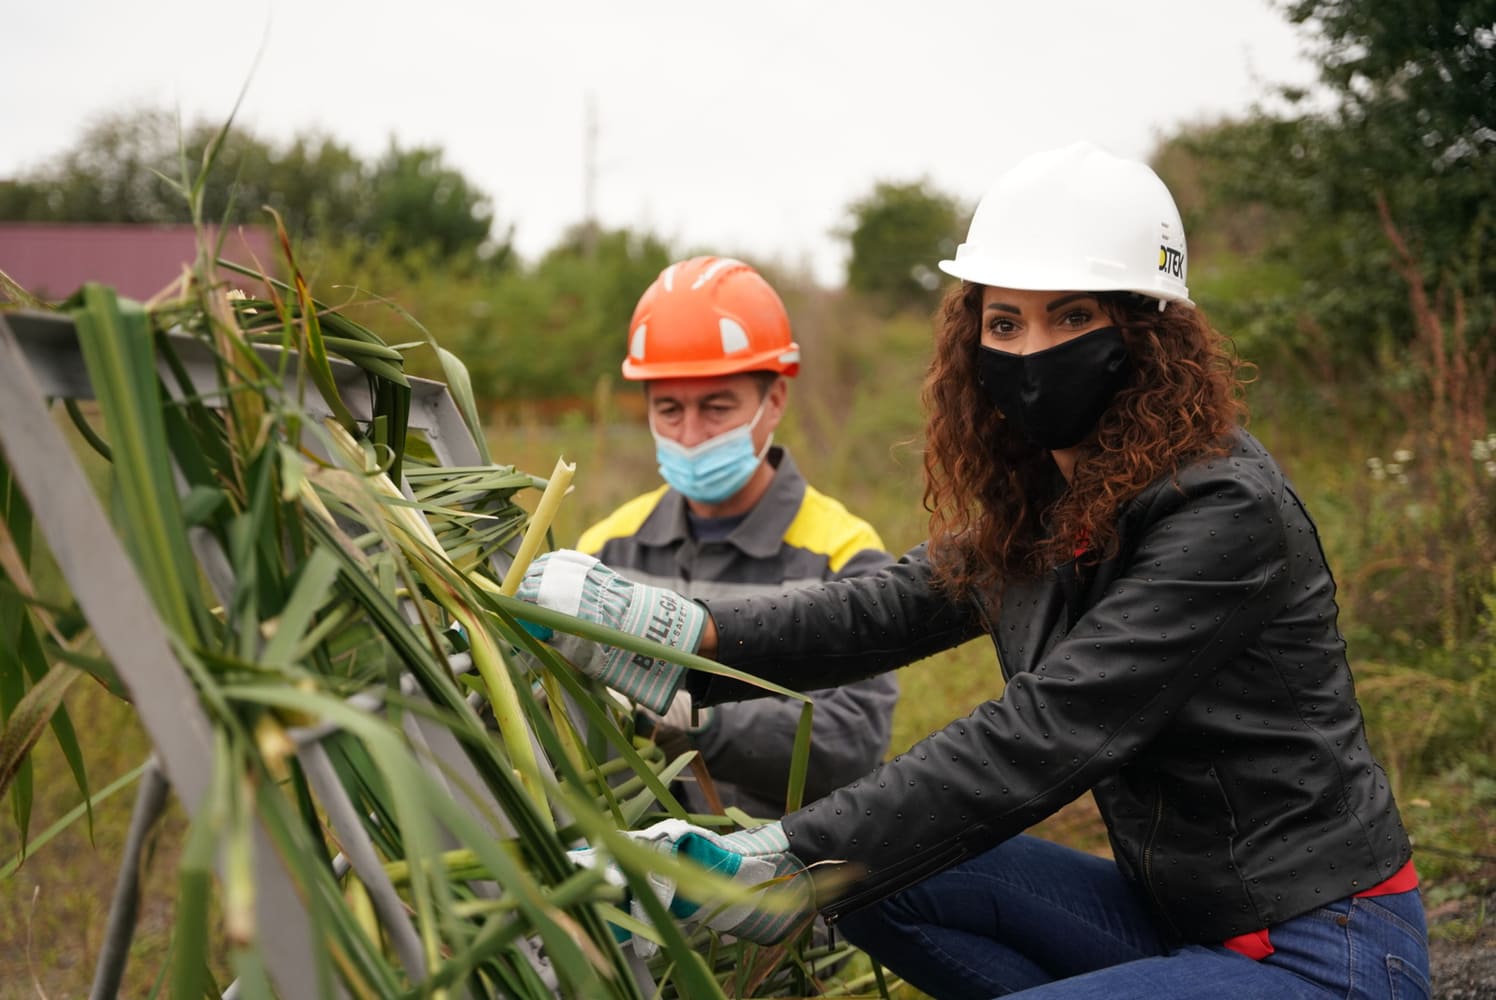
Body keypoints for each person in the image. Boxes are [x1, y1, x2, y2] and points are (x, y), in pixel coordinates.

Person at [518, 143, 1429, 999]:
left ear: (1149, 334)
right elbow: (870, 613)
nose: (1031, 353)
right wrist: (651, 627)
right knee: (868, 876)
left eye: (1071, 315)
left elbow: (1043, 733)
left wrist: (777, 855)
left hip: (1323, 948)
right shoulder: (1048, 502)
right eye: (1005, 321)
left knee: (831, 858)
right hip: (1172, 919)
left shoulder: (1222, 512)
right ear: (971, 340)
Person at [576, 255, 898, 820]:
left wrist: (691, 719)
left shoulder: (843, 555)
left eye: (717, 407)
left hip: (785, 879)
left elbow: (850, 740)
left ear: (774, 401)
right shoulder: (606, 550)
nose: (692, 434)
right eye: (670, 410)